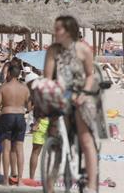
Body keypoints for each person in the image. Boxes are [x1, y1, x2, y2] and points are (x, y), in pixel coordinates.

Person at [43, 15, 106, 193]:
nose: (55, 32)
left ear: (69, 31)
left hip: (82, 94)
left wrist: (84, 93)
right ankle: (50, 184)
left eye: (58, 29)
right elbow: (48, 77)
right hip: (60, 93)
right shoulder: (53, 51)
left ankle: (92, 186)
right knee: (54, 139)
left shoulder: (83, 50)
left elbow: (90, 75)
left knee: (85, 138)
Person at [0, 62, 30, 185]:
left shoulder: (3, 88)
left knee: (6, 149)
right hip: (20, 117)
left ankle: (5, 180)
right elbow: (29, 107)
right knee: (19, 149)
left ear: (9, 73)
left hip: (7, 116)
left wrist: (3, 114)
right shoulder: (25, 88)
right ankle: (20, 180)